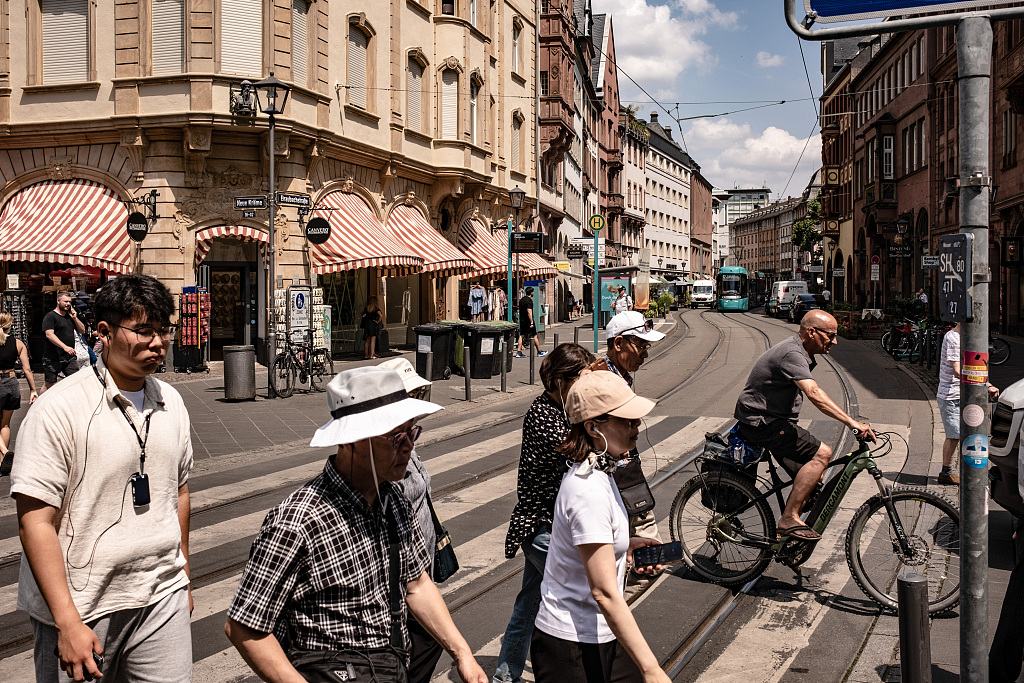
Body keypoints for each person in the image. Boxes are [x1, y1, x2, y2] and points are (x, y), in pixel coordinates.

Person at [225, 366, 487, 683]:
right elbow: (243, 628)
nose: (408, 447)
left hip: (389, 670)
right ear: (353, 441)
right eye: (395, 436)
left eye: (412, 431)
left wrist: (463, 654)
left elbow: (416, 585)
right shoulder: (298, 520)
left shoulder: (395, 501)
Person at [13, 274, 193, 683]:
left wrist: (182, 574)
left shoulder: (172, 401)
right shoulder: (59, 409)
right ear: (104, 332)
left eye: (164, 331)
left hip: (161, 592)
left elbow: (179, 492)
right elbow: (35, 522)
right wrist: (67, 621)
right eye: (144, 331)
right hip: (83, 604)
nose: (158, 342)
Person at [530, 371, 669, 683]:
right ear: (594, 427)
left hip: (599, 631)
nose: (636, 427)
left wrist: (627, 544)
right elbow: (604, 592)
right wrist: (651, 669)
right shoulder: (587, 489)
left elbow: (592, 542)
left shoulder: (600, 473)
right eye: (627, 420)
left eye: (636, 420)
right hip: (570, 646)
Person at [493, 343, 597, 683]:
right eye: (580, 379)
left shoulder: (563, 409)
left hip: (554, 524)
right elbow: (578, 453)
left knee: (528, 606)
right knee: (584, 593)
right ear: (557, 380)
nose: (584, 387)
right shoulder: (543, 415)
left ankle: (505, 676)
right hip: (540, 526)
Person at [734, 309, 875, 541]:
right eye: (830, 335)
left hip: (772, 421)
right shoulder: (792, 353)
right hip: (762, 422)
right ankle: (788, 518)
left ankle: (785, 539)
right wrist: (851, 422)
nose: (835, 341)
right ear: (812, 332)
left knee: (813, 479)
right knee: (822, 454)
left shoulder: (799, 350)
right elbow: (813, 392)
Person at [379, 357, 445, 683]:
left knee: (429, 640)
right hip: (400, 583)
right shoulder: (386, 460)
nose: (416, 401)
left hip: (417, 570)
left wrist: (462, 652)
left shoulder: (407, 440)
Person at [936, 322, 999, 485]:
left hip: (967, 394)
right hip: (951, 395)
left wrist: (986, 385)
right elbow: (958, 371)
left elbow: (976, 367)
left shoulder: (969, 338)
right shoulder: (953, 338)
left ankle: (971, 471)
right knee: (954, 435)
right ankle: (946, 473)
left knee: (972, 432)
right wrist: (986, 386)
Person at [0, 312, 39, 477]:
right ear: (11, 325)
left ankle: (4, 451)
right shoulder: (18, 343)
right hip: (12, 383)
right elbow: (27, 369)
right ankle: (2, 461)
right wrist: (33, 390)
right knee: (5, 425)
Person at [41, 291, 86, 391]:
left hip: (69, 357)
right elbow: (49, 334)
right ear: (58, 301)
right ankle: (39, 403)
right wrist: (64, 347)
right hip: (53, 356)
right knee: (50, 384)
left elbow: (82, 330)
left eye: (69, 302)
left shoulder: (70, 316)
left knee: (75, 381)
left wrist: (75, 318)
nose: (68, 304)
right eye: (65, 301)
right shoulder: (50, 316)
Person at [516, 286, 545, 358]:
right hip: (528, 321)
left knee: (522, 335)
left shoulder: (522, 300)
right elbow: (529, 311)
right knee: (534, 335)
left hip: (522, 320)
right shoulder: (529, 301)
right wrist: (531, 321)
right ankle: (539, 351)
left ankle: (518, 352)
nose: (533, 293)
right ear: (531, 292)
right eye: (533, 292)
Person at [361, 295, 384, 359]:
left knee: (367, 340)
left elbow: (362, 313)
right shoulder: (376, 308)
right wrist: (378, 321)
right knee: (373, 340)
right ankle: (371, 355)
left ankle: (366, 355)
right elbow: (380, 315)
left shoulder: (367, 308)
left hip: (367, 324)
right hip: (373, 324)